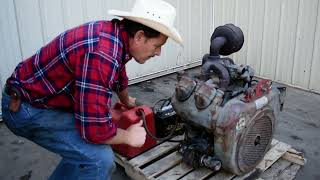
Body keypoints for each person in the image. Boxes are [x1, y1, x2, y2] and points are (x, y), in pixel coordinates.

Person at [1, 0, 182, 179]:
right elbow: (94, 131)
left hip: (42, 98)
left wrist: (125, 99)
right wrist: (128, 136)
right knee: (99, 159)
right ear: (140, 37)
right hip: (26, 108)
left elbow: (119, 72)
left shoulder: (116, 36)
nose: (158, 53)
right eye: (157, 46)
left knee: (84, 149)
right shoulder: (102, 54)